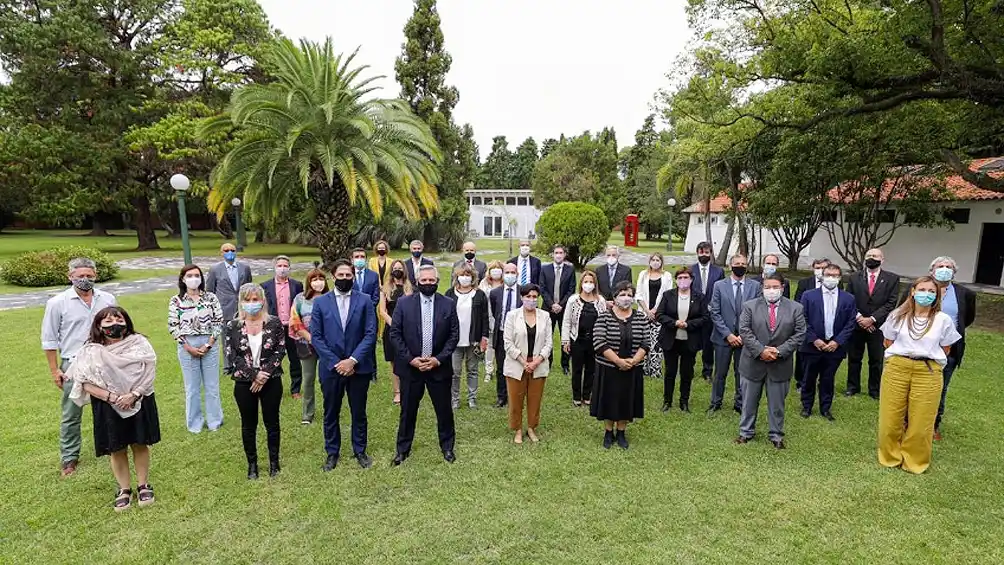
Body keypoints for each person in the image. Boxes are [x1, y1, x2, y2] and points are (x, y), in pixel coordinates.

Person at [65, 306, 158, 510]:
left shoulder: (139, 343)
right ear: (99, 326)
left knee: (140, 443)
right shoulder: (90, 351)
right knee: (117, 447)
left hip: (139, 399)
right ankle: (124, 489)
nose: (114, 325)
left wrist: (134, 394)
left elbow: (150, 370)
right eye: (107, 322)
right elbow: (83, 382)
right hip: (107, 404)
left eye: (118, 320)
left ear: (127, 322)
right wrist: (114, 397)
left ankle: (143, 485)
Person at [41, 257, 117, 477]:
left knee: (109, 405)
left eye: (89, 276)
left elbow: (116, 328)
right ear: (70, 277)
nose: (85, 280)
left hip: (104, 360)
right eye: (80, 276)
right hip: (73, 362)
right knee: (71, 413)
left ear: (95, 276)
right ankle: (69, 458)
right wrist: (55, 369)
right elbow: (49, 339)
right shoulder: (58, 303)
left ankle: (113, 445)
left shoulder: (107, 298)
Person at [877, 276, 961, 474]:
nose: (927, 294)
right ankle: (890, 456)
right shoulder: (897, 315)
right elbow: (888, 342)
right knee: (891, 416)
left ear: (937, 295)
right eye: (922, 289)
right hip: (897, 367)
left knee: (922, 419)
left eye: (932, 291)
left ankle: (914, 460)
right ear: (913, 291)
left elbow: (946, 348)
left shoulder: (943, 320)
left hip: (928, 371)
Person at [309, 259, 378, 471]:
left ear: (353, 277)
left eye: (349, 276)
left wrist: (352, 360)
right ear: (333, 277)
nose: (345, 279)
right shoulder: (321, 303)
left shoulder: (365, 300)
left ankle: (360, 450)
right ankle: (332, 452)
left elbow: (370, 333)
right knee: (331, 411)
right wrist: (336, 362)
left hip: (358, 367)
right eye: (341, 276)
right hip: (331, 368)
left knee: (358, 411)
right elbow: (317, 337)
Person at [389, 265, 460, 465]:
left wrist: (438, 359)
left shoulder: (448, 303)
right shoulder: (403, 303)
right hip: (411, 368)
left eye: (431, 280)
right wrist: (411, 359)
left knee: (444, 411)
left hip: (438, 368)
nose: (428, 283)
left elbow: (454, 335)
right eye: (424, 280)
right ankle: (403, 450)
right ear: (417, 281)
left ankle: (447, 447)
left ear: (437, 281)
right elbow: (395, 334)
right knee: (407, 411)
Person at [735, 274, 806, 449]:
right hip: (753, 363)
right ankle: (745, 432)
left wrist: (780, 351)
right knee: (749, 401)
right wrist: (761, 351)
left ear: (782, 287)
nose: (771, 290)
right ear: (762, 288)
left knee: (777, 404)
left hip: (780, 363)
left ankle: (776, 435)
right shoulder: (750, 306)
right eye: (767, 287)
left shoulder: (795, 308)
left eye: (775, 287)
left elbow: (799, 333)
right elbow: (744, 330)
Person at [223, 283, 286, 480]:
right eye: (248, 300)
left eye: (256, 299)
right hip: (244, 382)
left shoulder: (274, 323)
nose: (252, 303)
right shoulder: (233, 326)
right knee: (249, 425)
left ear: (263, 301)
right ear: (241, 302)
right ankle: (252, 464)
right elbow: (232, 354)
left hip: (271, 380)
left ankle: (274, 462)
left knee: (272, 422)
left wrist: (264, 374)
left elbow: (280, 349)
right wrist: (253, 375)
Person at [923, 256, 976, 439]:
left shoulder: (965, 294)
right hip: (919, 347)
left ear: (954, 272)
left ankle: (933, 425)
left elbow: (966, 319)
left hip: (948, 350)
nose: (944, 269)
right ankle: (910, 422)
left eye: (948, 267)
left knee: (940, 387)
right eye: (940, 266)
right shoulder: (921, 289)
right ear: (932, 270)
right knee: (915, 387)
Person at [591, 281, 649, 449]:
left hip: (632, 368)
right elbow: (599, 342)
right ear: (615, 298)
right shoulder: (604, 316)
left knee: (626, 399)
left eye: (630, 295)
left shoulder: (639, 317)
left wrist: (634, 360)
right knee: (609, 399)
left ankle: (622, 432)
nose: (626, 298)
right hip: (609, 368)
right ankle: (608, 432)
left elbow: (646, 342)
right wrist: (618, 361)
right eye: (622, 295)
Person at [168, 264, 224, 434]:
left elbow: (218, 321)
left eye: (197, 275)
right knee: (192, 388)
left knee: (212, 386)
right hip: (187, 345)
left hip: (209, 342)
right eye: (190, 276)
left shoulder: (210, 298)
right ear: (183, 279)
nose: (194, 279)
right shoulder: (176, 300)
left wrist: (209, 344)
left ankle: (215, 421)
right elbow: (173, 325)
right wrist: (187, 347)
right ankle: (194, 423)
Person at [797, 264, 856, 420]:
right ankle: (806, 406)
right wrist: (814, 339)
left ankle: (825, 408)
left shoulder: (848, 298)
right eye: (828, 274)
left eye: (835, 275)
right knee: (809, 377)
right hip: (812, 345)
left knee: (828, 379)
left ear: (840, 277)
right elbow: (803, 319)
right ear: (822, 276)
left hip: (834, 347)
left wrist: (837, 342)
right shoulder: (809, 295)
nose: (831, 278)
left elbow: (850, 323)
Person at [708, 254, 763, 414]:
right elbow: (715, 312)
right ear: (730, 265)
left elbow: (757, 312)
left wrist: (743, 336)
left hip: (745, 339)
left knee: (742, 373)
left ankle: (740, 404)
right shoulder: (719, 285)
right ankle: (716, 402)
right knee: (720, 373)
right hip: (723, 337)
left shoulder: (755, 286)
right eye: (737, 263)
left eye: (743, 263)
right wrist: (728, 335)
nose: (740, 266)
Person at [845, 248, 899, 399]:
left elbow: (891, 302)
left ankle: (874, 390)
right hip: (857, 324)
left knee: (876, 359)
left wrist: (872, 319)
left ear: (882, 259)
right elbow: (849, 299)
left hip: (878, 326)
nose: (871, 258)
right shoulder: (854, 277)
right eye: (869, 255)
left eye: (875, 256)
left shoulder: (892, 278)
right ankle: (852, 387)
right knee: (854, 358)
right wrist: (860, 318)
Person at [502, 284, 552, 444]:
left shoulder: (545, 316)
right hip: (517, 364)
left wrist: (536, 361)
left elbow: (549, 343)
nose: (531, 300)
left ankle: (531, 427)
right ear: (522, 298)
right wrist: (524, 362)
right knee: (516, 399)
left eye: (534, 297)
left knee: (535, 398)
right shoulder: (512, 315)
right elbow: (508, 343)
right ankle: (517, 429)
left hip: (538, 364)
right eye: (528, 297)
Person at [657, 267, 708, 413]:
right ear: (676, 280)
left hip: (689, 340)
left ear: (691, 280)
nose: (683, 281)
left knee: (687, 373)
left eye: (686, 277)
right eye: (680, 278)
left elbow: (705, 317)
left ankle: (684, 402)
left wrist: (688, 324)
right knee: (670, 372)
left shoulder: (699, 297)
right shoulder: (668, 295)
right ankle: (667, 401)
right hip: (671, 340)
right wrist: (674, 323)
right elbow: (660, 314)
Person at [444, 264, 489, 409]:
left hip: (473, 340)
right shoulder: (450, 294)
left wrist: (484, 338)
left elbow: (484, 318)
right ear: (457, 276)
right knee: (454, 372)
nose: (465, 278)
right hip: (454, 340)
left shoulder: (480, 295)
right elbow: (443, 317)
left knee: (473, 370)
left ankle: (472, 398)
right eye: (462, 275)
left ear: (473, 277)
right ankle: (454, 399)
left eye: (468, 275)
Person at [289, 265, 328, 425]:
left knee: (326, 379)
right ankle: (307, 413)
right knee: (308, 378)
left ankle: (329, 410)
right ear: (309, 282)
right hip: (306, 344)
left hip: (328, 346)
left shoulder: (331, 297)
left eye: (321, 279)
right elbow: (295, 321)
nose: (318, 282)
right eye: (314, 279)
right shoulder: (300, 299)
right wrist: (311, 338)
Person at [562, 271, 606, 407]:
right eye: (586, 282)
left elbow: (605, 321)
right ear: (581, 283)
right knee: (576, 369)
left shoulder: (600, 300)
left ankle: (587, 395)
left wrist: (603, 340)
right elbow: (567, 321)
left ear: (595, 284)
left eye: (591, 282)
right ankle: (576, 396)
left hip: (594, 341)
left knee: (591, 369)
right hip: (577, 339)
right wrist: (565, 341)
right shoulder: (573, 300)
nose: (588, 285)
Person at [262, 256, 304, 399]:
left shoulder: (297, 285)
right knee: (271, 357)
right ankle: (270, 386)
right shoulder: (265, 286)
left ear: (289, 268)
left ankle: (295, 389)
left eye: (285, 265)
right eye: (279, 265)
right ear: (274, 267)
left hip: (291, 327)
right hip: (273, 327)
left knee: (295, 358)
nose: (282, 268)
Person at [793, 257, 831, 390]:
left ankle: (822, 381)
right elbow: (798, 301)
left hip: (827, 325)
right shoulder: (804, 283)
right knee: (802, 354)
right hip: (807, 323)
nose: (820, 271)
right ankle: (801, 381)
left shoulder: (834, 283)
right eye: (817, 268)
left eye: (823, 268)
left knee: (825, 356)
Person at [635, 252, 674, 379]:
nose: (655, 262)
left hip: (659, 314)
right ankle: (643, 369)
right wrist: (647, 310)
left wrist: (655, 311)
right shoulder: (643, 274)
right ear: (649, 261)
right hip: (643, 313)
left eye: (658, 260)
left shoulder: (667, 276)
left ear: (662, 262)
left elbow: (667, 295)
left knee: (656, 343)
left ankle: (655, 370)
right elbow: (639, 294)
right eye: (653, 259)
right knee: (643, 341)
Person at [379, 260, 413, 405]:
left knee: (407, 359)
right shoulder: (385, 289)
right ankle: (397, 392)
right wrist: (394, 324)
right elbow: (382, 310)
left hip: (408, 329)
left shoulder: (410, 288)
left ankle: (409, 389)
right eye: (395, 268)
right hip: (392, 329)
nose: (397, 270)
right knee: (394, 362)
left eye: (400, 268)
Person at [690, 242, 725, 381]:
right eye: (701, 252)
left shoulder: (719, 271)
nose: (703, 255)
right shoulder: (690, 270)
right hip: (694, 312)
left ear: (711, 253)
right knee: (692, 341)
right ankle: (689, 368)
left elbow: (721, 291)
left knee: (708, 343)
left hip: (711, 312)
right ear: (697, 253)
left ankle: (707, 371)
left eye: (706, 252)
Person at [539, 245, 576, 375]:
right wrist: (551, 304)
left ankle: (565, 364)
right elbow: (542, 289)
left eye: (561, 253)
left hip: (564, 309)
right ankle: (547, 362)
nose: (558, 255)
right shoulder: (545, 269)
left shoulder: (570, 270)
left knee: (564, 336)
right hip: (548, 308)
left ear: (564, 254)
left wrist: (560, 304)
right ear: (552, 254)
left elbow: (571, 289)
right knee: (547, 336)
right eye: (556, 253)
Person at [489, 263, 522, 408]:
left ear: (517, 274)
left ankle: (517, 394)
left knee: (518, 365)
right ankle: (502, 397)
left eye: (512, 272)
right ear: (503, 274)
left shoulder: (523, 292)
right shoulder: (495, 293)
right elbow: (496, 313)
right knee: (501, 367)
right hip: (501, 334)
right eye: (507, 272)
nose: (510, 275)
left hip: (519, 335)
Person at [205, 243, 253, 321]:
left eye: (232, 250)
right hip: (224, 308)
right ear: (221, 253)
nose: (230, 252)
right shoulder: (215, 269)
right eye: (226, 251)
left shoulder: (245, 268)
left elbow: (249, 285)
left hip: (242, 307)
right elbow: (210, 290)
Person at [479, 260, 506, 380]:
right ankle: (488, 371)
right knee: (489, 346)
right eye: (493, 268)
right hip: (488, 317)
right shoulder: (484, 283)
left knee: (503, 345)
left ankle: (504, 368)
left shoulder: (506, 283)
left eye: (498, 268)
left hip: (503, 318)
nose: (496, 271)